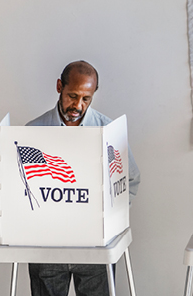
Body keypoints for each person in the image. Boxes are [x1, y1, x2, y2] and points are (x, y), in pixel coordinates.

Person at [25, 60, 141, 296]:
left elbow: (131, 179)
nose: (77, 105)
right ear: (59, 86)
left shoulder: (109, 131)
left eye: (86, 98)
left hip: (94, 247)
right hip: (47, 247)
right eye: (72, 95)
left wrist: (112, 218)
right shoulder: (32, 131)